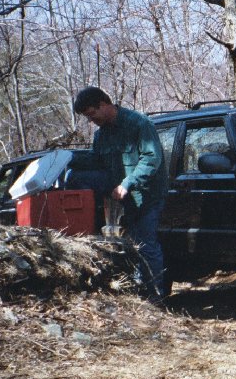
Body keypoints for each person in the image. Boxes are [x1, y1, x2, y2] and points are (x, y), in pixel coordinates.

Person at [67, 87, 169, 302]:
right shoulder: (101, 135)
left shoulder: (139, 124)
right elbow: (97, 161)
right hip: (125, 201)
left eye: (91, 114)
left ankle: (155, 297)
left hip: (147, 196)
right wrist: (66, 158)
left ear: (103, 104)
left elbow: (151, 159)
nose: (91, 120)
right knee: (133, 246)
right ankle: (141, 291)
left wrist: (127, 183)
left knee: (146, 245)